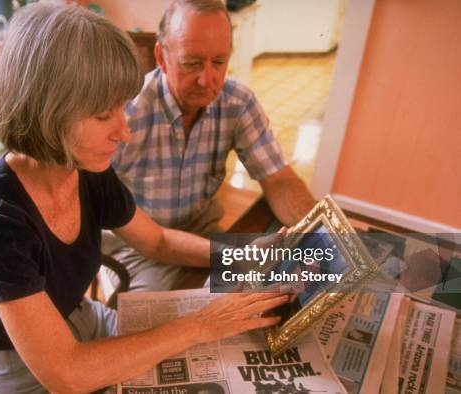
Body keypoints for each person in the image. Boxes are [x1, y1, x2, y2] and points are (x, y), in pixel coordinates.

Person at [0, 3, 289, 393]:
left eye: (122, 109)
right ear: (48, 111)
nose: (123, 132)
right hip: (22, 367)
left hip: (83, 319)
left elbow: (158, 241)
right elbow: (67, 373)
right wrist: (200, 325)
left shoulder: (84, 170)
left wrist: (243, 255)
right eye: (102, 115)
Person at [105, 0, 315, 292]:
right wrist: (235, 256)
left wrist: (322, 238)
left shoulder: (238, 103)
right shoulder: (124, 113)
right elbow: (151, 239)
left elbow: (280, 179)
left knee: (269, 298)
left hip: (202, 234)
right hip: (137, 248)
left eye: (219, 62)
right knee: (159, 328)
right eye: (191, 63)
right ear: (161, 58)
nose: (208, 80)